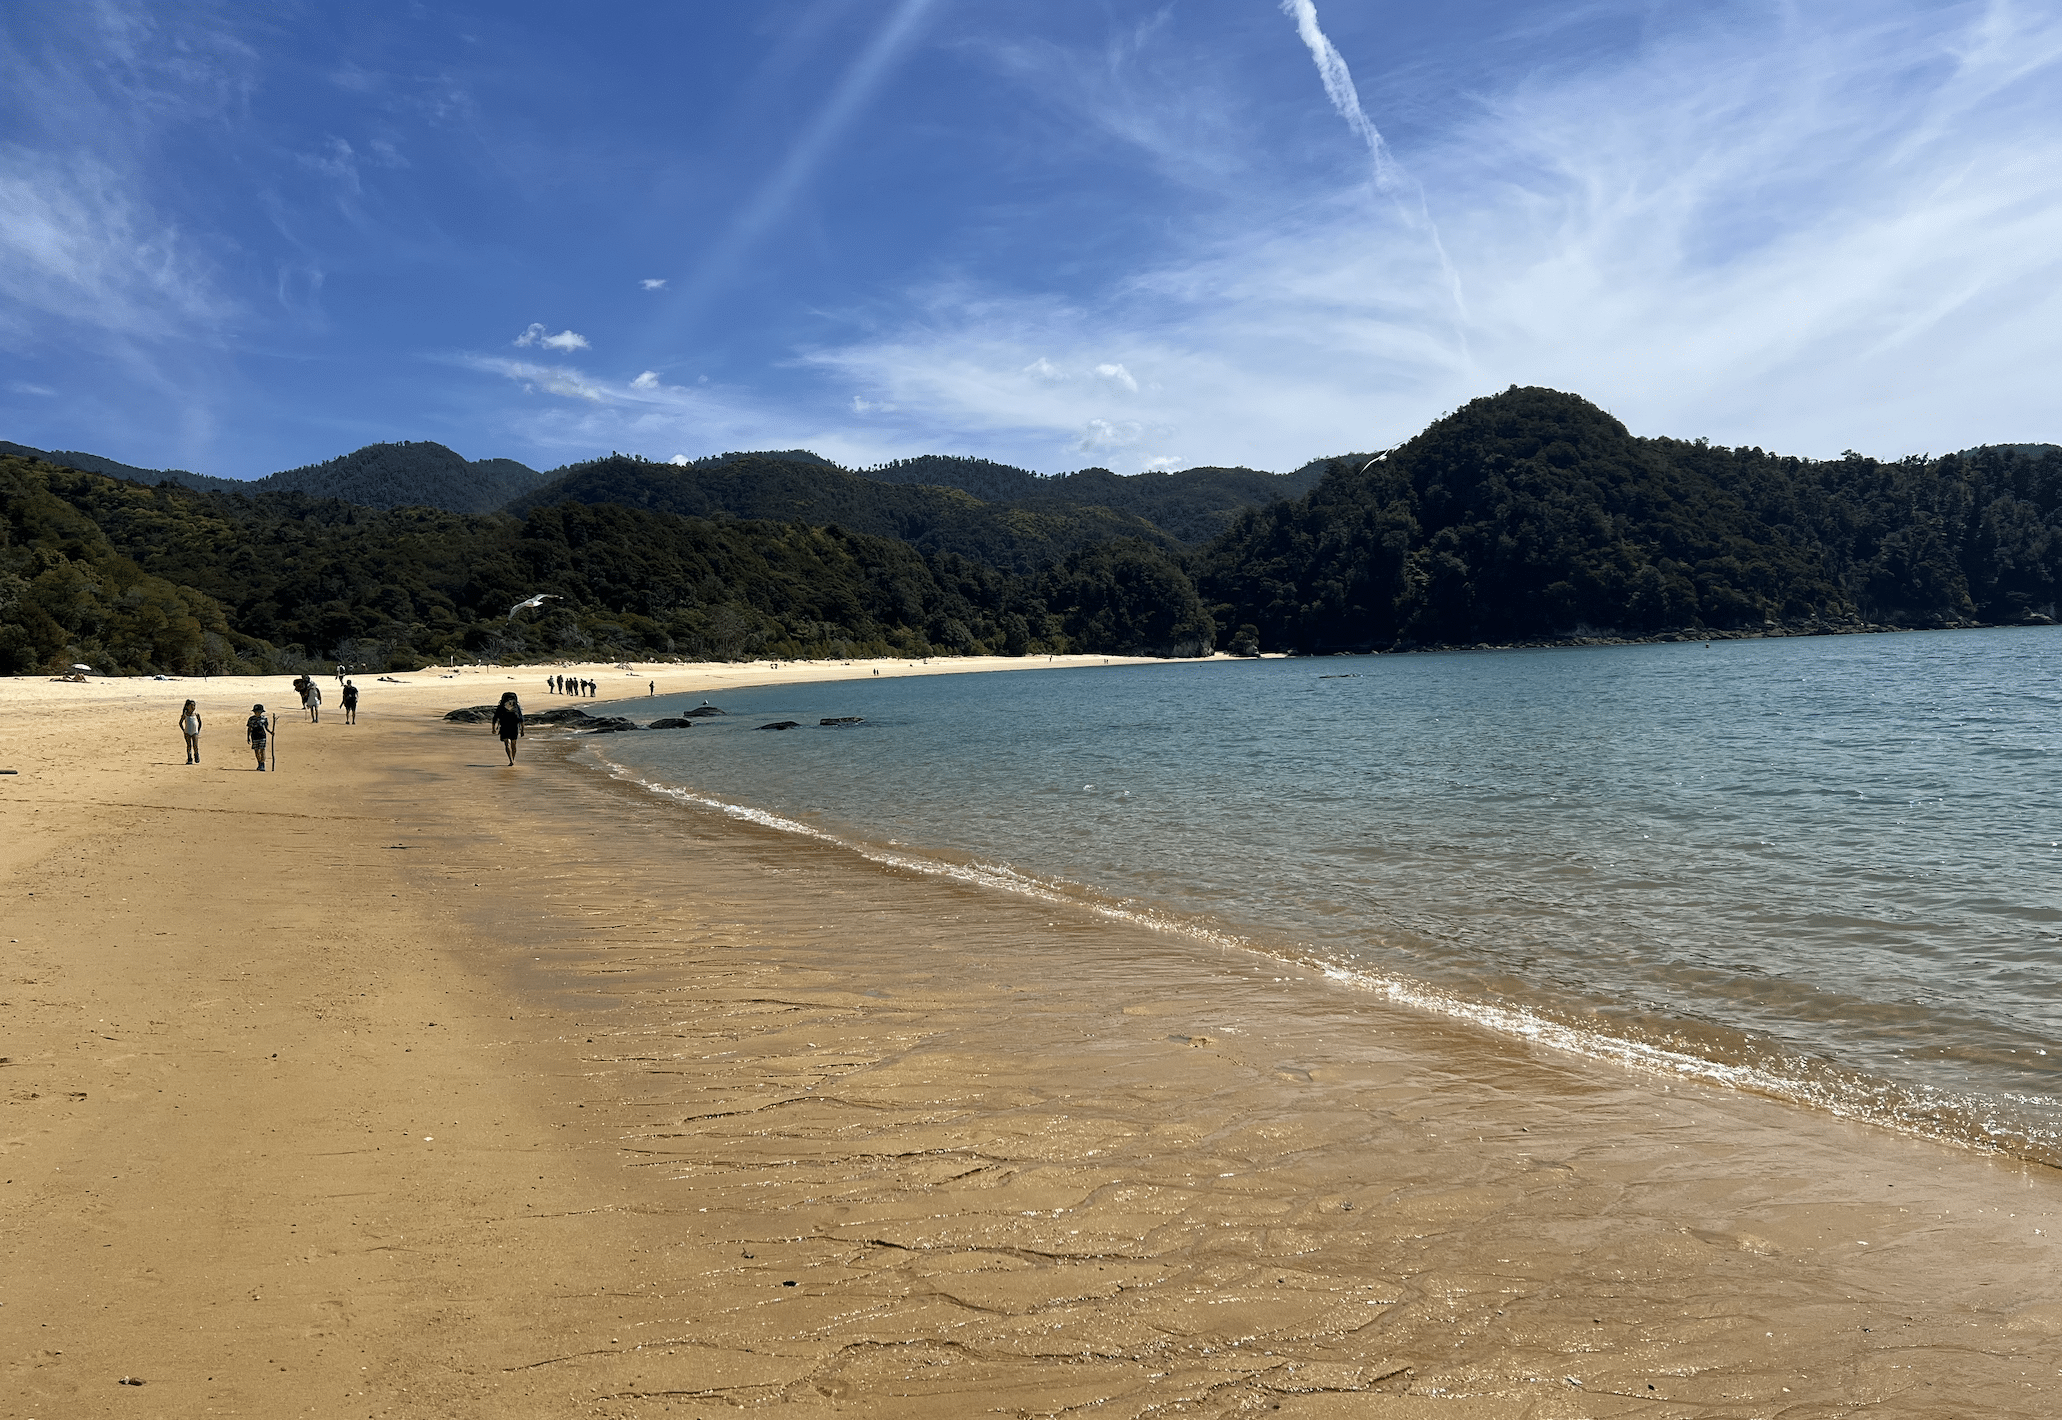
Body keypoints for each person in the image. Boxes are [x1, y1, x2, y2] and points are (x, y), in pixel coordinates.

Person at [491, 691, 524, 765]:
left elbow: (495, 718)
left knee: (508, 744)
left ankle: (511, 759)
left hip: (505, 727)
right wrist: (522, 730)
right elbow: (521, 719)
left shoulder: (501, 707)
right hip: (513, 727)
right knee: (512, 744)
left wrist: (493, 728)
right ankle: (512, 759)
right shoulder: (516, 707)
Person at [246, 703, 269, 770]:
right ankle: (259, 763)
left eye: (259, 712)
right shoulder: (251, 719)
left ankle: (262, 763)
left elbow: (266, 728)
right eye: (256, 712)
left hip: (262, 735)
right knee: (256, 750)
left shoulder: (264, 718)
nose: (257, 713)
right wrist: (248, 737)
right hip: (254, 736)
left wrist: (271, 732)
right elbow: (249, 728)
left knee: (262, 750)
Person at [179, 699, 202, 764]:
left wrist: (198, 730)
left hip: (195, 732)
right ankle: (189, 759)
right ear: (187, 706)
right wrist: (183, 730)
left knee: (195, 745)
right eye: (191, 706)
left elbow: (200, 723)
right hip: (187, 732)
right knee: (189, 746)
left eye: (194, 706)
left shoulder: (196, 714)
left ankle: (196, 756)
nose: (193, 707)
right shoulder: (185, 714)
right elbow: (180, 723)